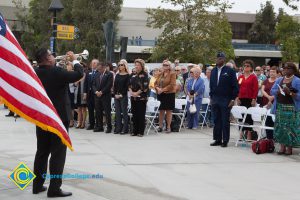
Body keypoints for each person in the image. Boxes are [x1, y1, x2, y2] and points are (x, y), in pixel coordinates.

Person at [33, 48, 83, 197]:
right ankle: (54, 188)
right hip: (58, 118)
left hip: (42, 118)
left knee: (42, 152)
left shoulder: (35, 72)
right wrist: (74, 60)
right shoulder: (56, 72)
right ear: (48, 59)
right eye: (51, 55)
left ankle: (37, 185)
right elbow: (79, 74)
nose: (54, 57)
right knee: (58, 154)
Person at [210, 52, 239, 147]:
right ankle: (217, 139)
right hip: (215, 99)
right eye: (217, 58)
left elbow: (235, 86)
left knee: (225, 120)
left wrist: (232, 99)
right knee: (216, 120)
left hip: (226, 99)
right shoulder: (213, 71)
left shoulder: (230, 71)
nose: (219, 60)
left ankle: (225, 140)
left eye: (221, 58)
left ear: (224, 59)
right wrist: (211, 97)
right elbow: (212, 85)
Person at [271, 62, 300, 155]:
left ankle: (289, 148)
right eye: (284, 68)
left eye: (288, 68)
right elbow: (272, 90)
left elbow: (299, 96)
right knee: (280, 127)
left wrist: (290, 93)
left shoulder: (297, 80)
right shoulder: (279, 79)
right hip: (280, 107)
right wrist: (278, 92)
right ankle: (282, 147)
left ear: (293, 70)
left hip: (291, 108)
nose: (286, 70)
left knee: (290, 128)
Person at [236, 60, 259, 140]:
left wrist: (254, 99)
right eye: (245, 65)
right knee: (241, 116)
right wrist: (237, 97)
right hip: (241, 99)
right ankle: (241, 134)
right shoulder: (240, 77)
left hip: (249, 99)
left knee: (249, 117)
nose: (246, 67)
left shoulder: (253, 77)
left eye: (248, 66)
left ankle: (249, 134)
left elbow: (255, 89)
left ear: (251, 68)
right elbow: (238, 88)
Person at [129, 59, 149, 137]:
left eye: (138, 65)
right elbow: (129, 84)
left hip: (141, 98)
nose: (136, 66)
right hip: (133, 98)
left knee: (140, 115)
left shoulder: (145, 75)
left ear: (142, 66)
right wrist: (131, 92)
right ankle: (134, 131)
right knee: (134, 115)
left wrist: (137, 93)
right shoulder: (133, 74)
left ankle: (140, 131)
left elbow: (145, 86)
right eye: (136, 65)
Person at [155, 60, 176, 133]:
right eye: (164, 65)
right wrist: (158, 88)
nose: (165, 66)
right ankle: (160, 126)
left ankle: (168, 127)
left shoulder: (173, 73)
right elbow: (155, 83)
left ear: (170, 66)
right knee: (161, 110)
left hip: (169, 94)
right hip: (161, 94)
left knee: (168, 111)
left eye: (167, 65)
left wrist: (163, 89)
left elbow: (172, 84)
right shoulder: (160, 74)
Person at [93, 62, 113, 133]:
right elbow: (93, 84)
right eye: (98, 69)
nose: (99, 70)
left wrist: (102, 92)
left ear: (104, 67)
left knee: (107, 112)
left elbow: (109, 85)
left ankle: (109, 127)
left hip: (105, 96)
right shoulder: (96, 74)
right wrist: (96, 92)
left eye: (100, 69)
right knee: (98, 112)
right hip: (97, 96)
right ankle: (99, 126)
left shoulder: (109, 74)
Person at [113, 59, 130, 134]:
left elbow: (126, 87)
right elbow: (115, 86)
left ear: (125, 66)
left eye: (121, 65)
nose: (120, 66)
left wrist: (121, 94)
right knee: (117, 113)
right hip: (116, 96)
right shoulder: (117, 75)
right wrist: (115, 94)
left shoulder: (127, 75)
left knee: (124, 112)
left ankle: (125, 128)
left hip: (123, 96)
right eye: (119, 65)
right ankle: (118, 128)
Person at [261, 66, 278, 139]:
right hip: (265, 102)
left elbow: (278, 91)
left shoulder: (278, 81)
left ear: (277, 73)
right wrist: (268, 97)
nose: (272, 73)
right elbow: (262, 90)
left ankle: (275, 138)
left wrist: (271, 99)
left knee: (273, 121)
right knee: (266, 121)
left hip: (274, 103)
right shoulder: (266, 80)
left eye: (274, 72)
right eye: (271, 72)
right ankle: (268, 138)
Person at [83, 59, 99, 130]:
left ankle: (97, 124)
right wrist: (85, 93)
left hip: (96, 94)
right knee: (90, 110)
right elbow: (85, 83)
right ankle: (91, 124)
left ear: (98, 65)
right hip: (89, 94)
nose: (93, 64)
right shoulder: (88, 72)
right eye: (92, 63)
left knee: (97, 110)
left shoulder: (99, 72)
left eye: (95, 63)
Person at [74, 62, 88, 129]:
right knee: (79, 108)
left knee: (83, 109)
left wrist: (85, 93)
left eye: (82, 66)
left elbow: (87, 84)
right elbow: (75, 84)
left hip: (83, 92)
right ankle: (79, 122)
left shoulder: (85, 74)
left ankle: (83, 123)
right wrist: (78, 81)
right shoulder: (77, 75)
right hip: (77, 92)